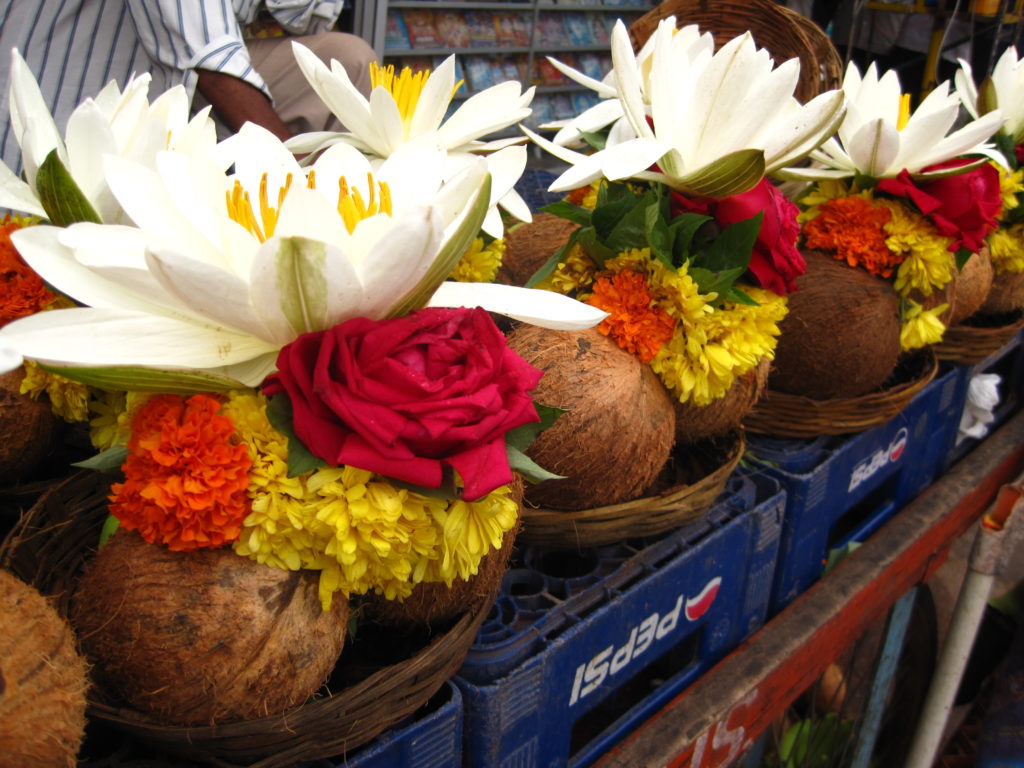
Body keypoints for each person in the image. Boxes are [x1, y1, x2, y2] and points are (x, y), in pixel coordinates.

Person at [0, 0, 377, 174]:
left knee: (345, 60)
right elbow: (209, 58)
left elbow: (305, 13)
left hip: (168, 78)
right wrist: (300, 181)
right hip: (69, 87)